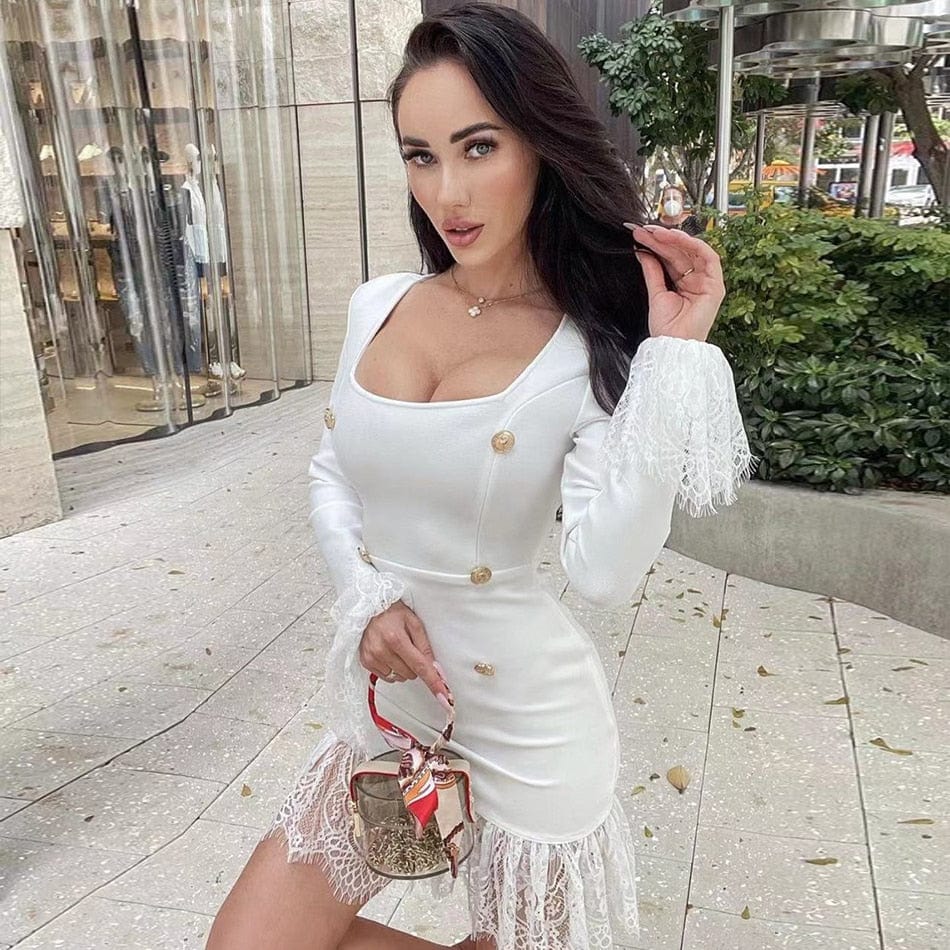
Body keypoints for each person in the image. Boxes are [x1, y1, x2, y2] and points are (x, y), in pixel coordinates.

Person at [206, 4, 754, 949]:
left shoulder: (585, 349)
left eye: (479, 147)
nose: (447, 191)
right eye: (420, 156)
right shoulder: (378, 304)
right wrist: (368, 599)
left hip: (532, 728)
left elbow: (604, 572)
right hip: (397, 712)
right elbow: (333, 474)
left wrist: (671, 358)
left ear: (540, 144)